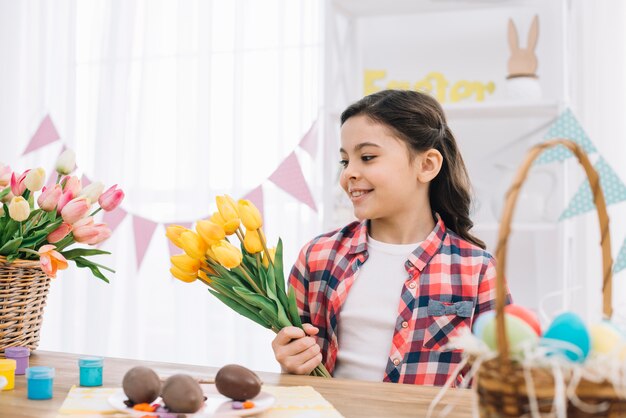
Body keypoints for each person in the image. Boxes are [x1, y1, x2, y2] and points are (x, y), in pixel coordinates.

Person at [271, 89, 506, 386]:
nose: (349, 174)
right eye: (345, 161)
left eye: (367, 157)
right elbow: (297, 373)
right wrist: (290, 361)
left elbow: (498, 380)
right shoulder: (318, 257)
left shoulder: (478, 270)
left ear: (427, 165)